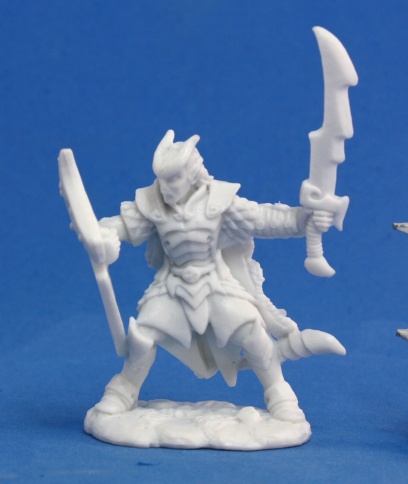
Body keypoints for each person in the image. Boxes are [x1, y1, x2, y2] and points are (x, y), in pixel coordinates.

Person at [93, 129, 344, 422]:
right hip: (172, 285)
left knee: (253, 334)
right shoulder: (152, 203)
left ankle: (279, 393)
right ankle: (123, 391)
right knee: (142, 338)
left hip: (215, 283)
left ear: (192, 174)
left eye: (173, 179)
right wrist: (103, 235)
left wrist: (305, 218)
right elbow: (119, 225)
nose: (165, 187)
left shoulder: (220, 201)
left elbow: (267, 220)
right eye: (162, 179)